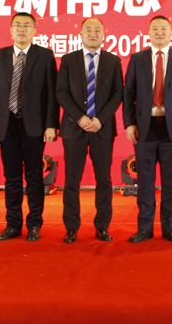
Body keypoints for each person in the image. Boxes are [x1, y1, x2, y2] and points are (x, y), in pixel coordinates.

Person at [0, 12, 59, 242]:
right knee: (12, 177)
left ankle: (35, 224)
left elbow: (52, 94)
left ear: (34, 31)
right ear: (10, 30)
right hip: (6, 127)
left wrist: (51, 125)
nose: (21, 29)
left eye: (27, 25)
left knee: (34, 176)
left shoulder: (45, 56)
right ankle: (13, 224)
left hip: (34, 127)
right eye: (17, 25)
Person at [123, 15, 172, 243]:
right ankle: (145, 228)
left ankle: (169, 227)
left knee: (170, 182)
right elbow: (129, 94)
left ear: (171, 33)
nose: (159, 33)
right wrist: (130, 123)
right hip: (144, 129)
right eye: (155, 29)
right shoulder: (137, 59)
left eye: (164, 29)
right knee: (145, 182)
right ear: (149, 33)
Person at [56, 18, 123, 244]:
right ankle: (71, 227)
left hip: (102, 130)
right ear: (81, 34)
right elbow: (61, 92)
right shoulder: (68, 60)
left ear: (103, 34)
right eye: (88, 30)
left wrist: (100, 120)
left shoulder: (113, 61)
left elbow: (117, 94)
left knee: (104, 180)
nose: (92, 33)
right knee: (71, 180)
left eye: (97, 30)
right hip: (74, 129)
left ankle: (102, 227)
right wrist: (80, 117)